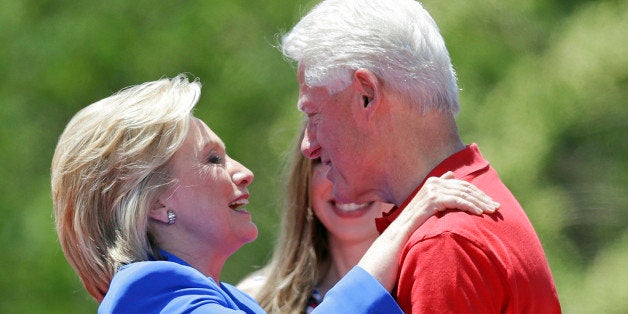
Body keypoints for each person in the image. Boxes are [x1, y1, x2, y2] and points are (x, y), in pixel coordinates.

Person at [51, 74, 498, 313]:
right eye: (212, 160)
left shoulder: (234, 301)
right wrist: (406, 223)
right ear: (156, 201)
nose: (243, 173)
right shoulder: (149, 295)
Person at [280, 0, 561, 313]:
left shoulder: (445, 242)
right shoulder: (466, 211)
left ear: (366, 94)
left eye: (313, 114)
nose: (308, 145)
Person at [237, 126, 395, 312]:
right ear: (304, 180)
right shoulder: (256, 300)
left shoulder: (428, 289)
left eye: (366, 159)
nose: (347, 181)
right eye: (325, 160)